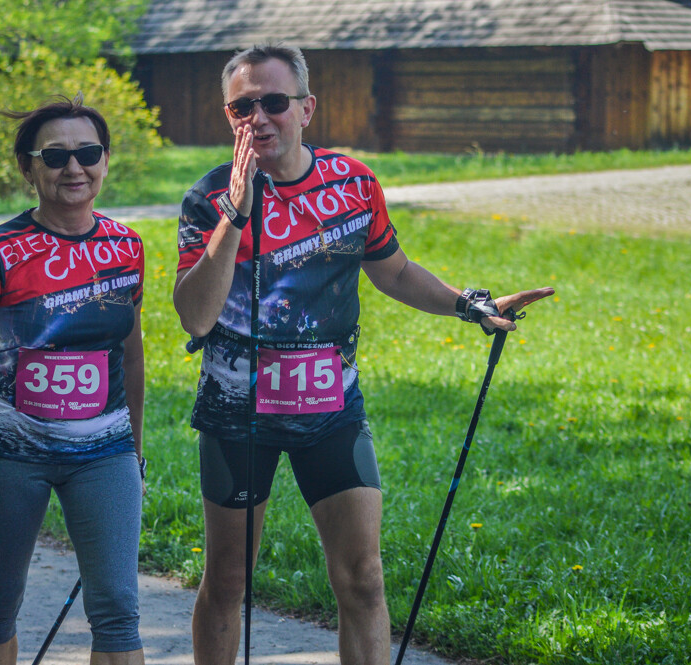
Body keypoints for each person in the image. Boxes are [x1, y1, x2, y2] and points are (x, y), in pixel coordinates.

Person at [172, 44, 554, 665]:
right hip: (237, 415)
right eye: (243, 107)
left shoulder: (352, 183)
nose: (259, 118)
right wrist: (235, 217)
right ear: (228, 116)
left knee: (364, 578)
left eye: (274, 102)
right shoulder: (207, 197)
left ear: (306, 109)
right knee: (229, 581)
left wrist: (469, 305)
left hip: (331, 408)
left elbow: (394, 271)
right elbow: (195, 316)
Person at [0, 94, 147, 665]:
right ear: (28, 168)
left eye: (88, 153)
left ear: (105, 160)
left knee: (118, 609)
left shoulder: (127, 246)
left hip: (104, 450)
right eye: (56, 156)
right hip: (9, 448)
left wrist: (134, 452)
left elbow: (131, 356)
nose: (74, 168)